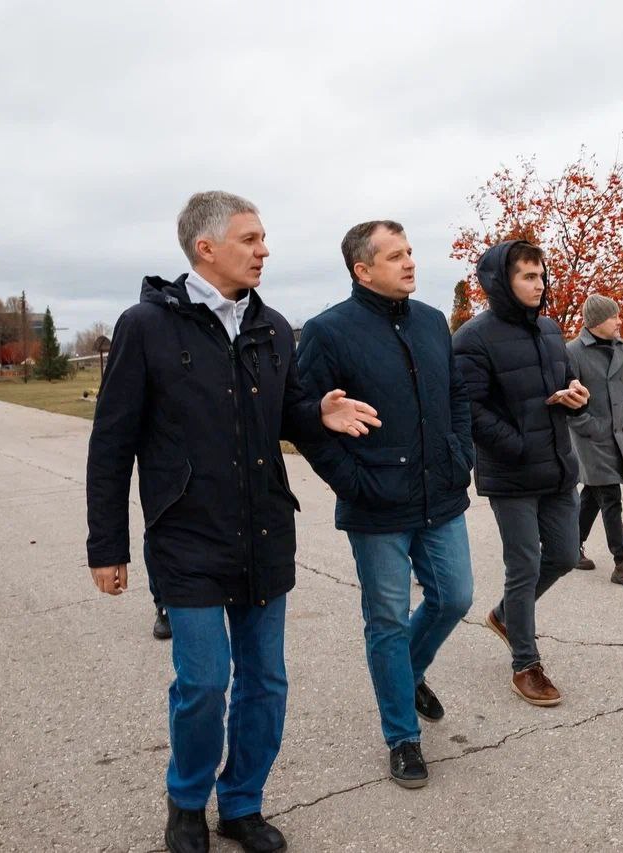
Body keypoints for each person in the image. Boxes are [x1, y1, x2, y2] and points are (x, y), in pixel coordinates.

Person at [85, 191, 380, 853]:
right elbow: (111, 442)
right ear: (205, 247)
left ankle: (241, 803)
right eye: (250, 238)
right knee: (206, 680)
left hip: (265, 530)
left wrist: (316, 415)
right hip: (186, 535)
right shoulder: (146, 326)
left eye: (264, 237)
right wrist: (107, 545)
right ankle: (187, 800)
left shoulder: (272, 325)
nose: (264, 249)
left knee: (266, 680)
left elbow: (282, 414)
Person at [295, 220, 474, 790]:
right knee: (388, 620)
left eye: (411, 252)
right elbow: (309, 420)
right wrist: (351, 482)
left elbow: (456, 395)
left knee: (455, 597)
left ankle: (407, 672)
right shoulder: (328, 332)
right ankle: (402, 737)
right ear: (362, 269)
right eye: (395, 255)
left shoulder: (429, 321)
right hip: (376, 503)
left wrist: (460, 452)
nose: (410, 263)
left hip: (440, 492)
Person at [452, 241, 589, 707]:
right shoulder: (473, 337)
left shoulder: (550, 329)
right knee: (524, 562)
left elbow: (568, 382)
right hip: (510, 472)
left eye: (541, 275)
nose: (539, 284)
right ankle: (525, 664)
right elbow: (467, 407)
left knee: (566, 555)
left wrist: (576, 396)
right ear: (501, 283)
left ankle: (506, 615)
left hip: (556, 467)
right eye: (528, 277)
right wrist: (517, 444)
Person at [565, 294, 623, 588]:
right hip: (589, 437)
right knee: (610, 495)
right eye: (614, 316)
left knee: (594, 492)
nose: (619, 321)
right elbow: (568, 400)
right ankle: (622, 562)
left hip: (617, 434)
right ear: (598, 321)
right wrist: (589, 426)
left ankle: (569, 547)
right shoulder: (572, 352)